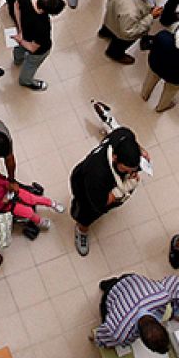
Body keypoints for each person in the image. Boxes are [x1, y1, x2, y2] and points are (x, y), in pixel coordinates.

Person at [69, 102, 148, 255]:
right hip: (86, 191)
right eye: (127, 170)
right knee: (86, 214)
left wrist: (141, 152)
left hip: (98, 180)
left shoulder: (124, 135)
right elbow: (104, 201)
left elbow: (131, 141)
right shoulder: (97, 175)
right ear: (115, 158)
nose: (134, 172)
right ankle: (81, 229)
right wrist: (126, 187)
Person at [100, 0, 163, 64]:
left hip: (113, 8)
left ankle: (104, 33)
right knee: (120, 42)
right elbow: (128, 32)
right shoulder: (131, 11)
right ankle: (114, 54)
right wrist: (151, 16)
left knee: (109, 23)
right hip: (123, 28)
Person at [9, 0, 64, 92]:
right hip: (37, 49)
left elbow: (16, 5)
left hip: (24, 34)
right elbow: (32, 48)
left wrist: (20, 31)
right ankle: (25, 81)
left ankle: (17, 60)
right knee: (31, 64)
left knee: (19, 49)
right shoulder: (43, 26)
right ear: (45, 10)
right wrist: (20, 39)